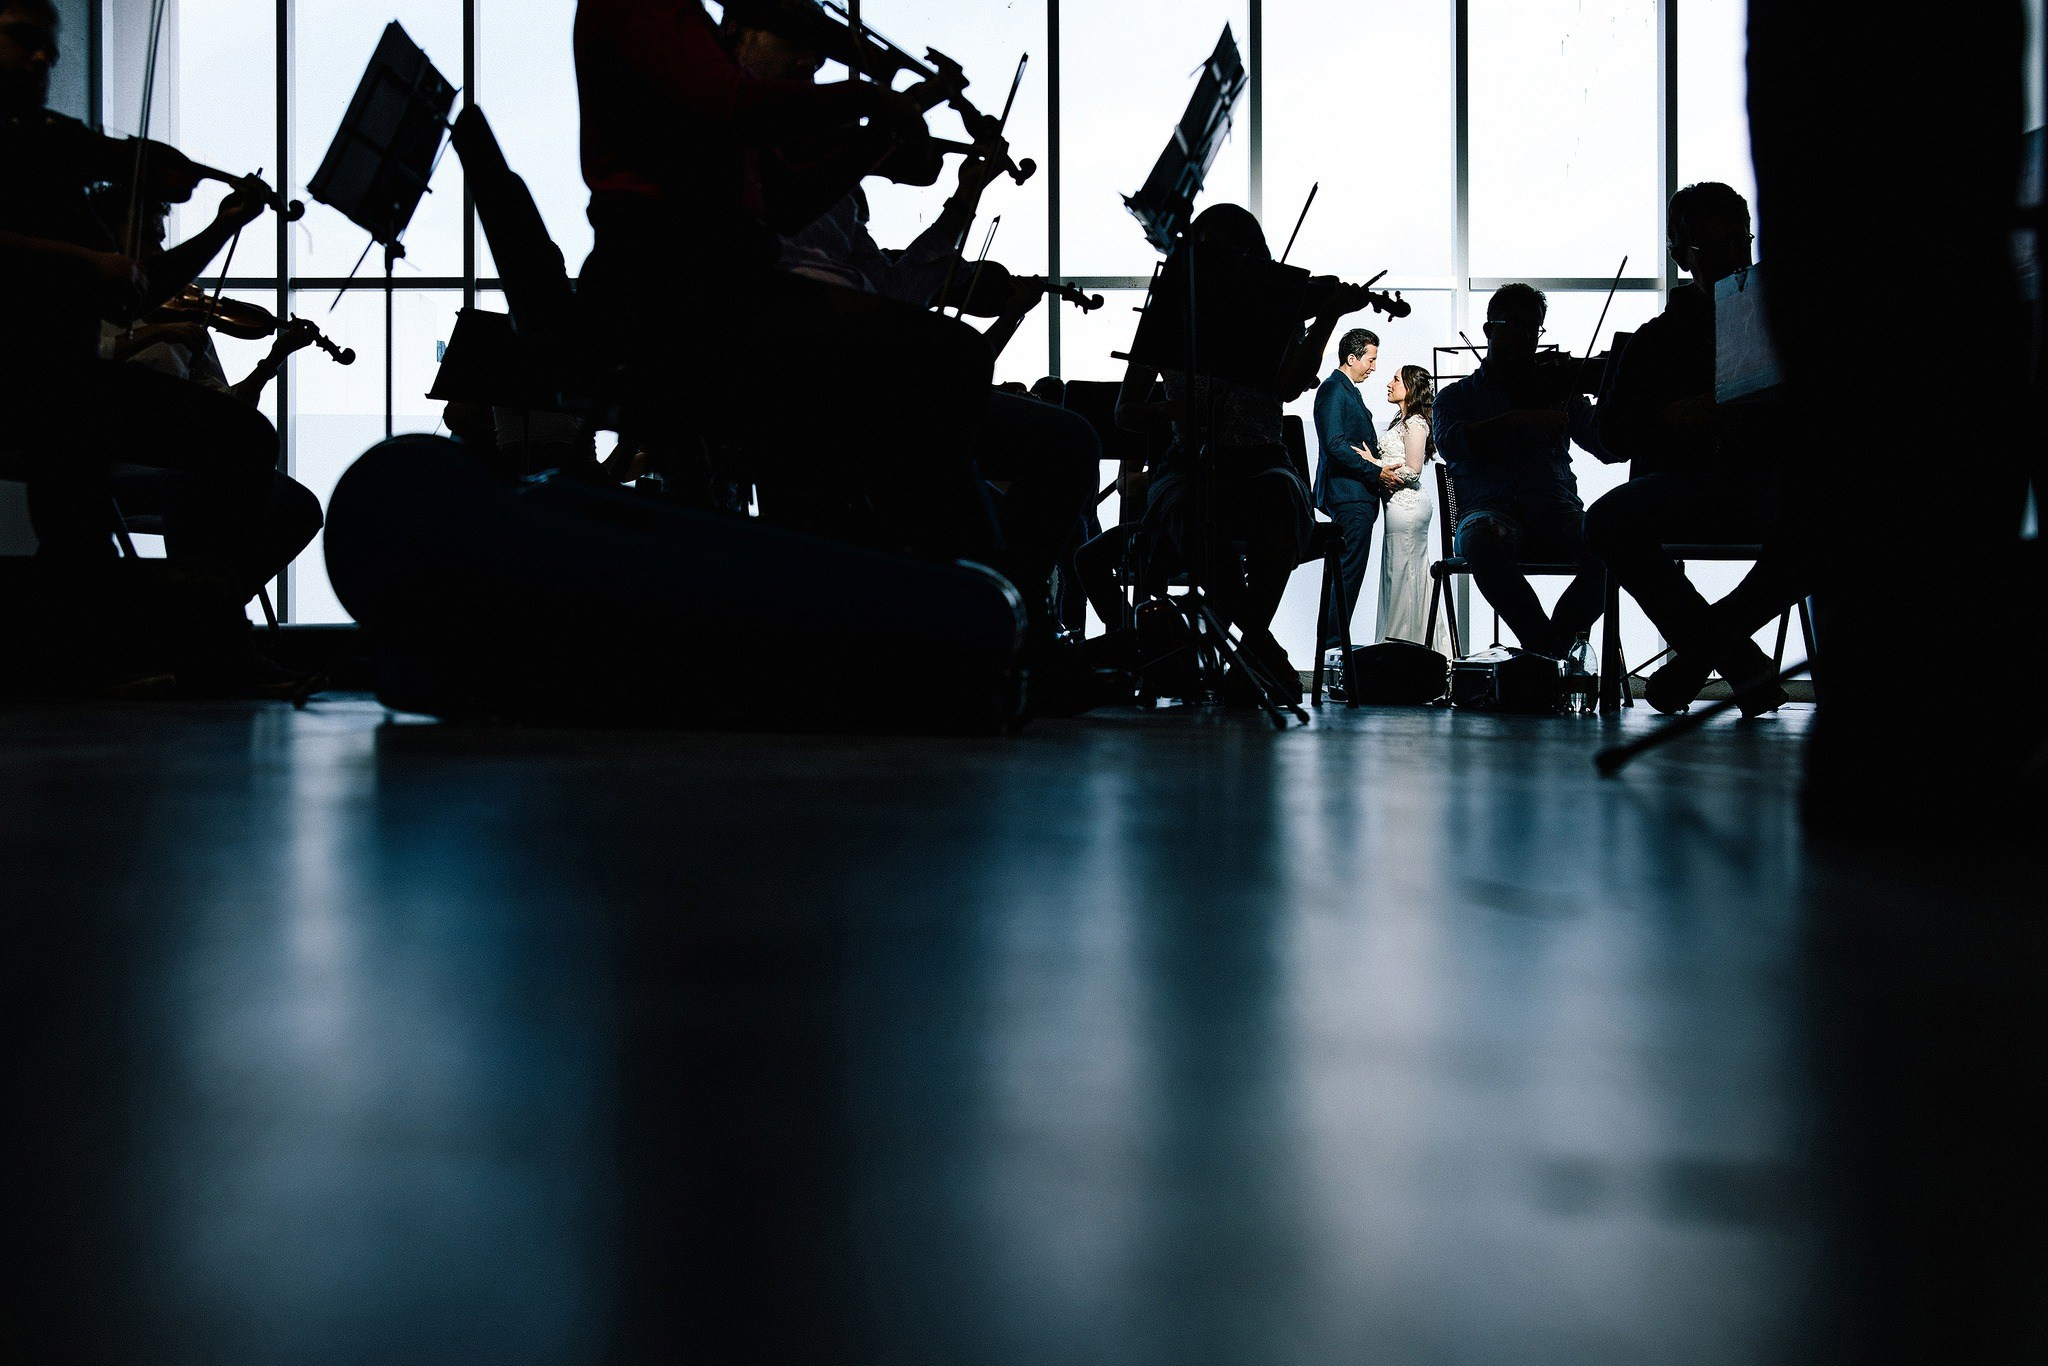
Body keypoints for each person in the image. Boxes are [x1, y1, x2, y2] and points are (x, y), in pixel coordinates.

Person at [573, 0, 1002, 568]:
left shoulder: (694, 34)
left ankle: (908, 579)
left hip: (715, 286)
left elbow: (785, 201)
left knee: (943, 366)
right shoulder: (644, 8)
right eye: (798, 43)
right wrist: (872, 100)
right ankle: (946, 593)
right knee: (946, 362)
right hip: (672, 287)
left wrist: (880, 133)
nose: (809, 59)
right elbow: (734, 103)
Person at [720, 0, 1098, 624]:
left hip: (871, 358)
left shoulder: (828, 172)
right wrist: (886, 118)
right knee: (943, 377)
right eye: (793, 39)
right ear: (738, 31)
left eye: (819, 52)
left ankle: (1003, 614)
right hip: (813, 366)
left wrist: (964, 198)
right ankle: (994, 621)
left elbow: (892, 284)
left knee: (1069, 442)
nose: (812, 61)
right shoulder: (740, 140)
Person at [0, 0, 306, 691]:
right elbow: (94, 272)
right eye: (23, 40)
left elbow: (130, 289)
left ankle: (188, 632)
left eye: (49, 45)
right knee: (77, 477)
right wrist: (81, 263)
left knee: (238, 437)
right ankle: (189, 640)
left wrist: (223, 225)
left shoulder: (50, 150)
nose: (44, 57)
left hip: (61, 380)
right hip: (18, 378)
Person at [1113, 203, 1372, 700]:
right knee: (1191, 514)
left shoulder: (1273, 308)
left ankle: (1246, 650)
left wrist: (1326, 318)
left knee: (1277, 513)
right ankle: (1258, 650)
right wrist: (1175, 411)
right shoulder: (1172, 310)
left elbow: (1291, 385)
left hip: (1262, 458)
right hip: (1189, 462)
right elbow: (1125, 411)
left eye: (1239, 254)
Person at [1584, 182, 1798, 715]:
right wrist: (1672, 416)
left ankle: (1701, 657)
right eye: (1713, 248)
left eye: (1740, 243)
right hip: (1693, 485)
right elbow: (1611, 437)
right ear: (1682, 256)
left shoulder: (1778, 325)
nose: (1732, 259)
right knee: (1606, 521)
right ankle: (1734, 659)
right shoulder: (1654, 339)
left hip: (1751, 484)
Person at [1431, 283, 1611, 661]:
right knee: (1480, 541)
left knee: (1615, 544)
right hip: (1491, 511)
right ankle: (1552, 653)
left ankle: (1551, 646)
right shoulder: (1457, 397)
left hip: (1555, 512)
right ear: (1488, 331)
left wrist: (1617, 404)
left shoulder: (1558, 387)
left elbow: (1604, 446)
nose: (1527, 341)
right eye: (1515, 328)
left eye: (1533, 330)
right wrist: (1521, 420)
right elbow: (1452, 443)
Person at [1311, 327, 1405, 657]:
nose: (1374, 367)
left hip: (1354, 497)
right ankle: (1334, 651)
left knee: (1346, 574)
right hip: (1350, 497)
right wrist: (1376, 470)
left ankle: (1333, 651)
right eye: (1371, 359)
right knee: (1346, 575)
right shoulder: (1334, 391)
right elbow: (1335, 444)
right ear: (1352, 358)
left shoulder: (1346, 390)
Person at [1365, 364, 1451, 651]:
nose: (1389, 383)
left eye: (1396, 378)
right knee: (1401, 574)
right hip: (1398, 507)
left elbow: (1413, 470)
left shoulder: (1416, 423)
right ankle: (1410, 649)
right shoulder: (1400, 422)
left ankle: (1405, 651)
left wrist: (1373, 465)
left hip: (1408, 508)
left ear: (1410, 387)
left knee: (1404, 576)